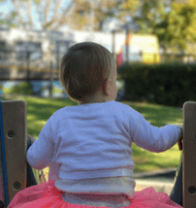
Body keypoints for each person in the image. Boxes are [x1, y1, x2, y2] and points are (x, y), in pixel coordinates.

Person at [8, 42, 183, 208]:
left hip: (71, 203)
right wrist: (178, 130)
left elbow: (35, 160)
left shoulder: (60, 118)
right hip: (119, 204)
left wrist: (34, 144)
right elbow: (157, 142)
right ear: (108, 86)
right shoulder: (124, 113)